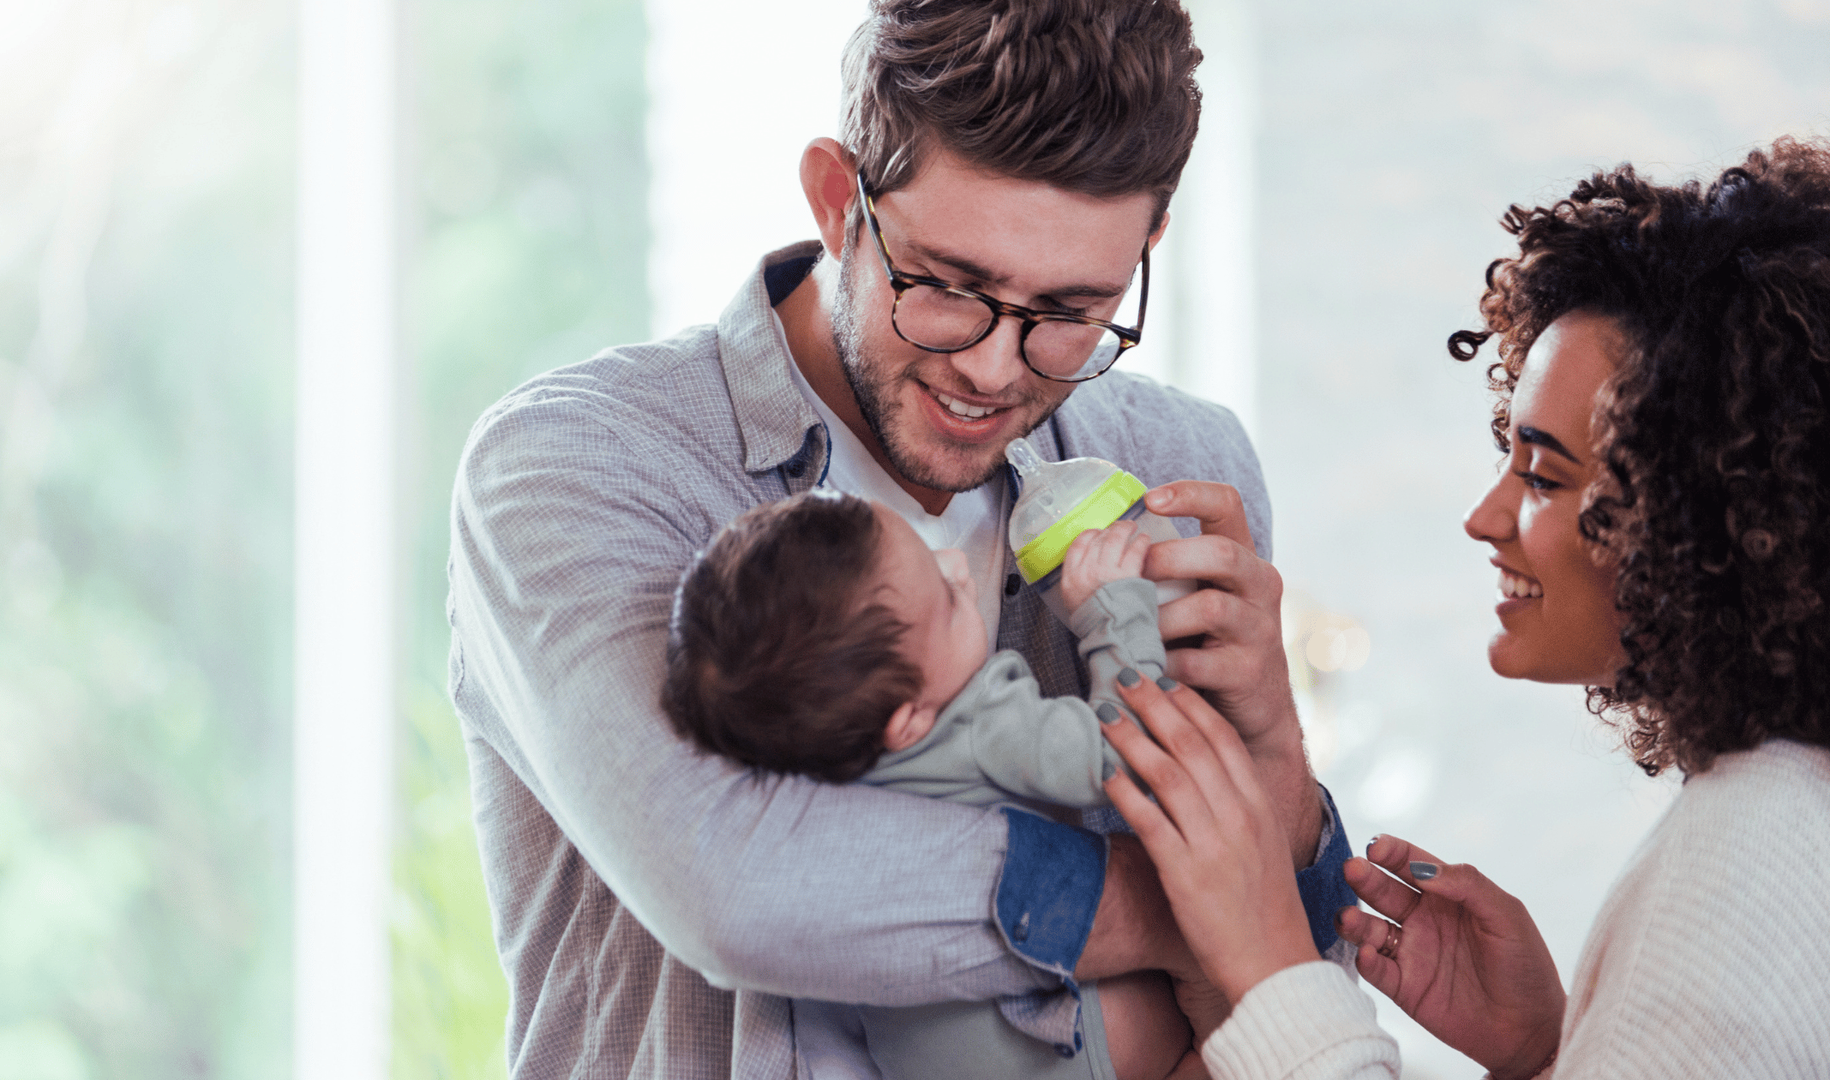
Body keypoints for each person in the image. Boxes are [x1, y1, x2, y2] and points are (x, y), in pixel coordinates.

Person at [445, 1, 1358, 1076]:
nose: (993, 368)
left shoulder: (1176, 461)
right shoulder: (582, 465)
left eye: (1071, 308)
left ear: (1147, 245)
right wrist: (1193, 901)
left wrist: (1273, 751)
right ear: (840, 199)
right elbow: (734, 886)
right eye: (948, 287)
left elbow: (1277, 1008)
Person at [1094, 137, 1830, 1079]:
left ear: (1712, 513)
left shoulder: (1755, 859)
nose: (1486, 518)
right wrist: (1544, 1054)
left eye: (1546, 476)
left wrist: (1270, 961)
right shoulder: (1777, 811)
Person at [665, 492, 1189, 1080]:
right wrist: (1112, 610)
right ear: (908, 719)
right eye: (946, 601)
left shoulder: (808, 760)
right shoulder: (977, 724)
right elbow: (1127, 755)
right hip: (1061, 1050)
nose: (958, 566)